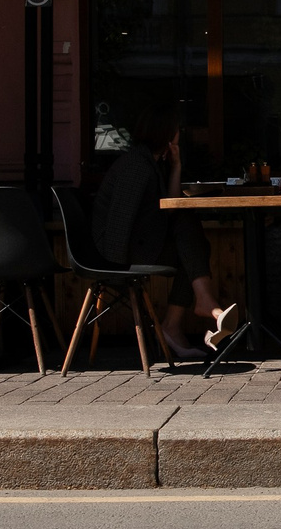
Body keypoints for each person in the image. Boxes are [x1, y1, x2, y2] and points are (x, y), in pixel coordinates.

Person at [91, 113, 240, 362]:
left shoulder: (151, 162)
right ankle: (199, 307)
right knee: (187, 228)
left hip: (136, 244)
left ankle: (180, 320)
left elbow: (170, 206)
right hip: (117, 251)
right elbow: (121, 220)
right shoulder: (136, 166)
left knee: (193, 247)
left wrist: (176, 166)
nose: (180, 134)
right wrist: (116, 269)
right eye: (176, 130)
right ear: (165, 134)